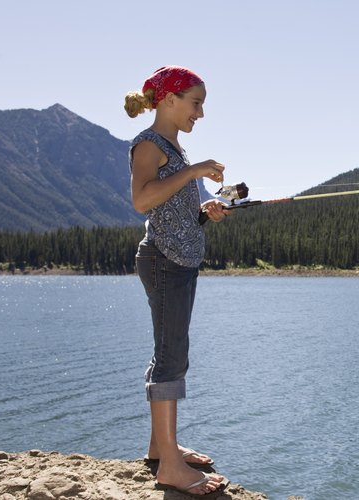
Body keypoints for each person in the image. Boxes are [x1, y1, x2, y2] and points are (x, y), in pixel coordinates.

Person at [124, 65, 231, 497]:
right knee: (171, 358)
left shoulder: (174, 148)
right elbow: (142, 200)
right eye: (196, 103)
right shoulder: (149, 145)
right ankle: (170, 466)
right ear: (169, 100)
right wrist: (194, 173)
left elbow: (170, 208)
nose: (200, 113)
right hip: (164, 261)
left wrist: (205, 212)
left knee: (170, 353)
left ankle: (160, 446)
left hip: (177, 261)